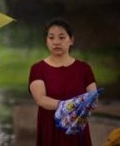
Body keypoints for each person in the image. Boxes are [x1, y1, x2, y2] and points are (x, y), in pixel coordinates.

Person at [29, 18, 97, 146]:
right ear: (46, 41)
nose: (56, 42)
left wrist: (87, 104)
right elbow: (40, 99)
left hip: (76, 129)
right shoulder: (37, 69)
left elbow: (93, 98)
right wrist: (68, 105)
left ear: (71, 40)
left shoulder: (84, 68)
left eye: (61, 37)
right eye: (51, 38)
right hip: (50, 128)